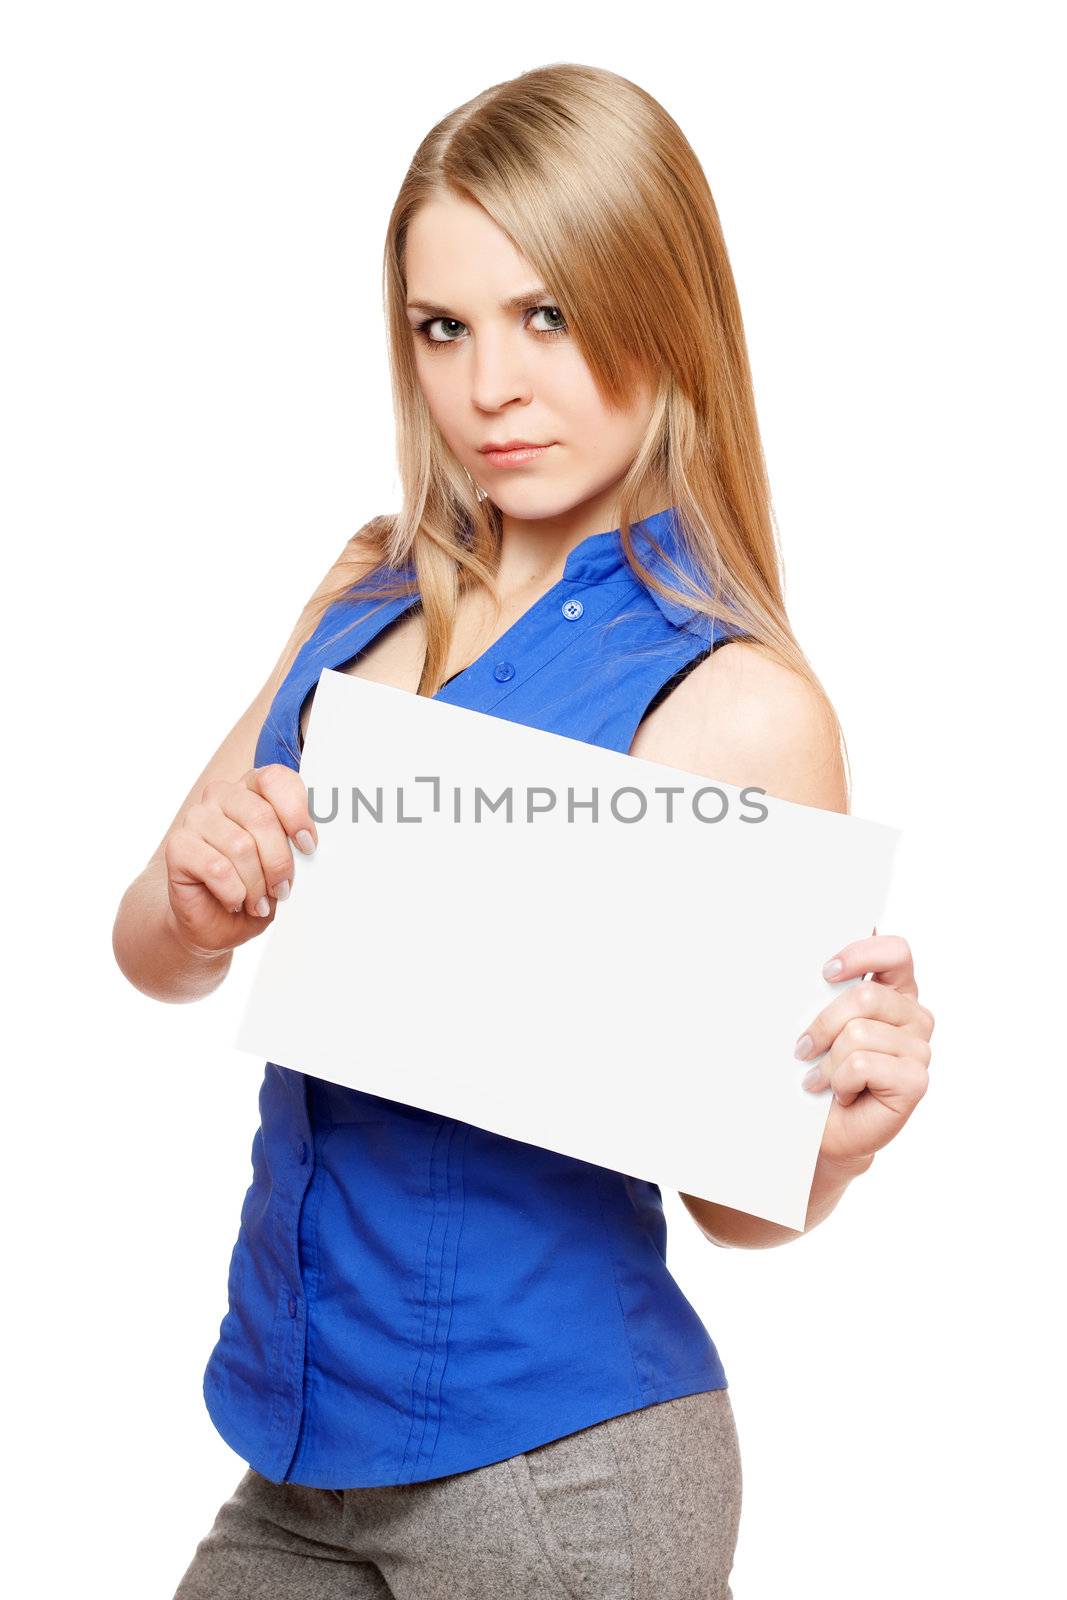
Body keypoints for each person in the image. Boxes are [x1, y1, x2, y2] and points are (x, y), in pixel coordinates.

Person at [113, 61, 935, 1600]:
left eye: (547, 315)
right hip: (295, 1447)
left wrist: (834, 1148)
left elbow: (737, 1204)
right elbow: (153, 948)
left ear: (659, 306)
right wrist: (196, 900)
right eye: (445, 326)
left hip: (567, 1472)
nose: (490, 385)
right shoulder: (365, 587)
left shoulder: (735, 701)